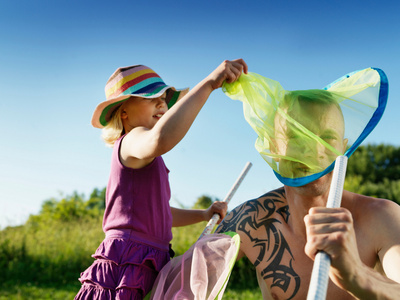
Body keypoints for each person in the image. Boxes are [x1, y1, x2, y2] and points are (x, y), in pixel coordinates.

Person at [75, 59, 248, 299]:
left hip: (151, 260)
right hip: (128, 260)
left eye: (164, 98)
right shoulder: (131, 141)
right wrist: (208, 84)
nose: (161, 102)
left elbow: (161, 213)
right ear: (123, 111)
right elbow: (160, 139)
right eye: (149, 97)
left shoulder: (147, 158)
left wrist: (202, 214)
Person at [216, 89, 400, 299]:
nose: (311, 152)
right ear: (275, 146)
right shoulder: (250, 220)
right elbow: (181, 284)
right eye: (296, 137)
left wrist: (356, 275)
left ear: (344, 147)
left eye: (327, 138)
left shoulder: (382, 216)